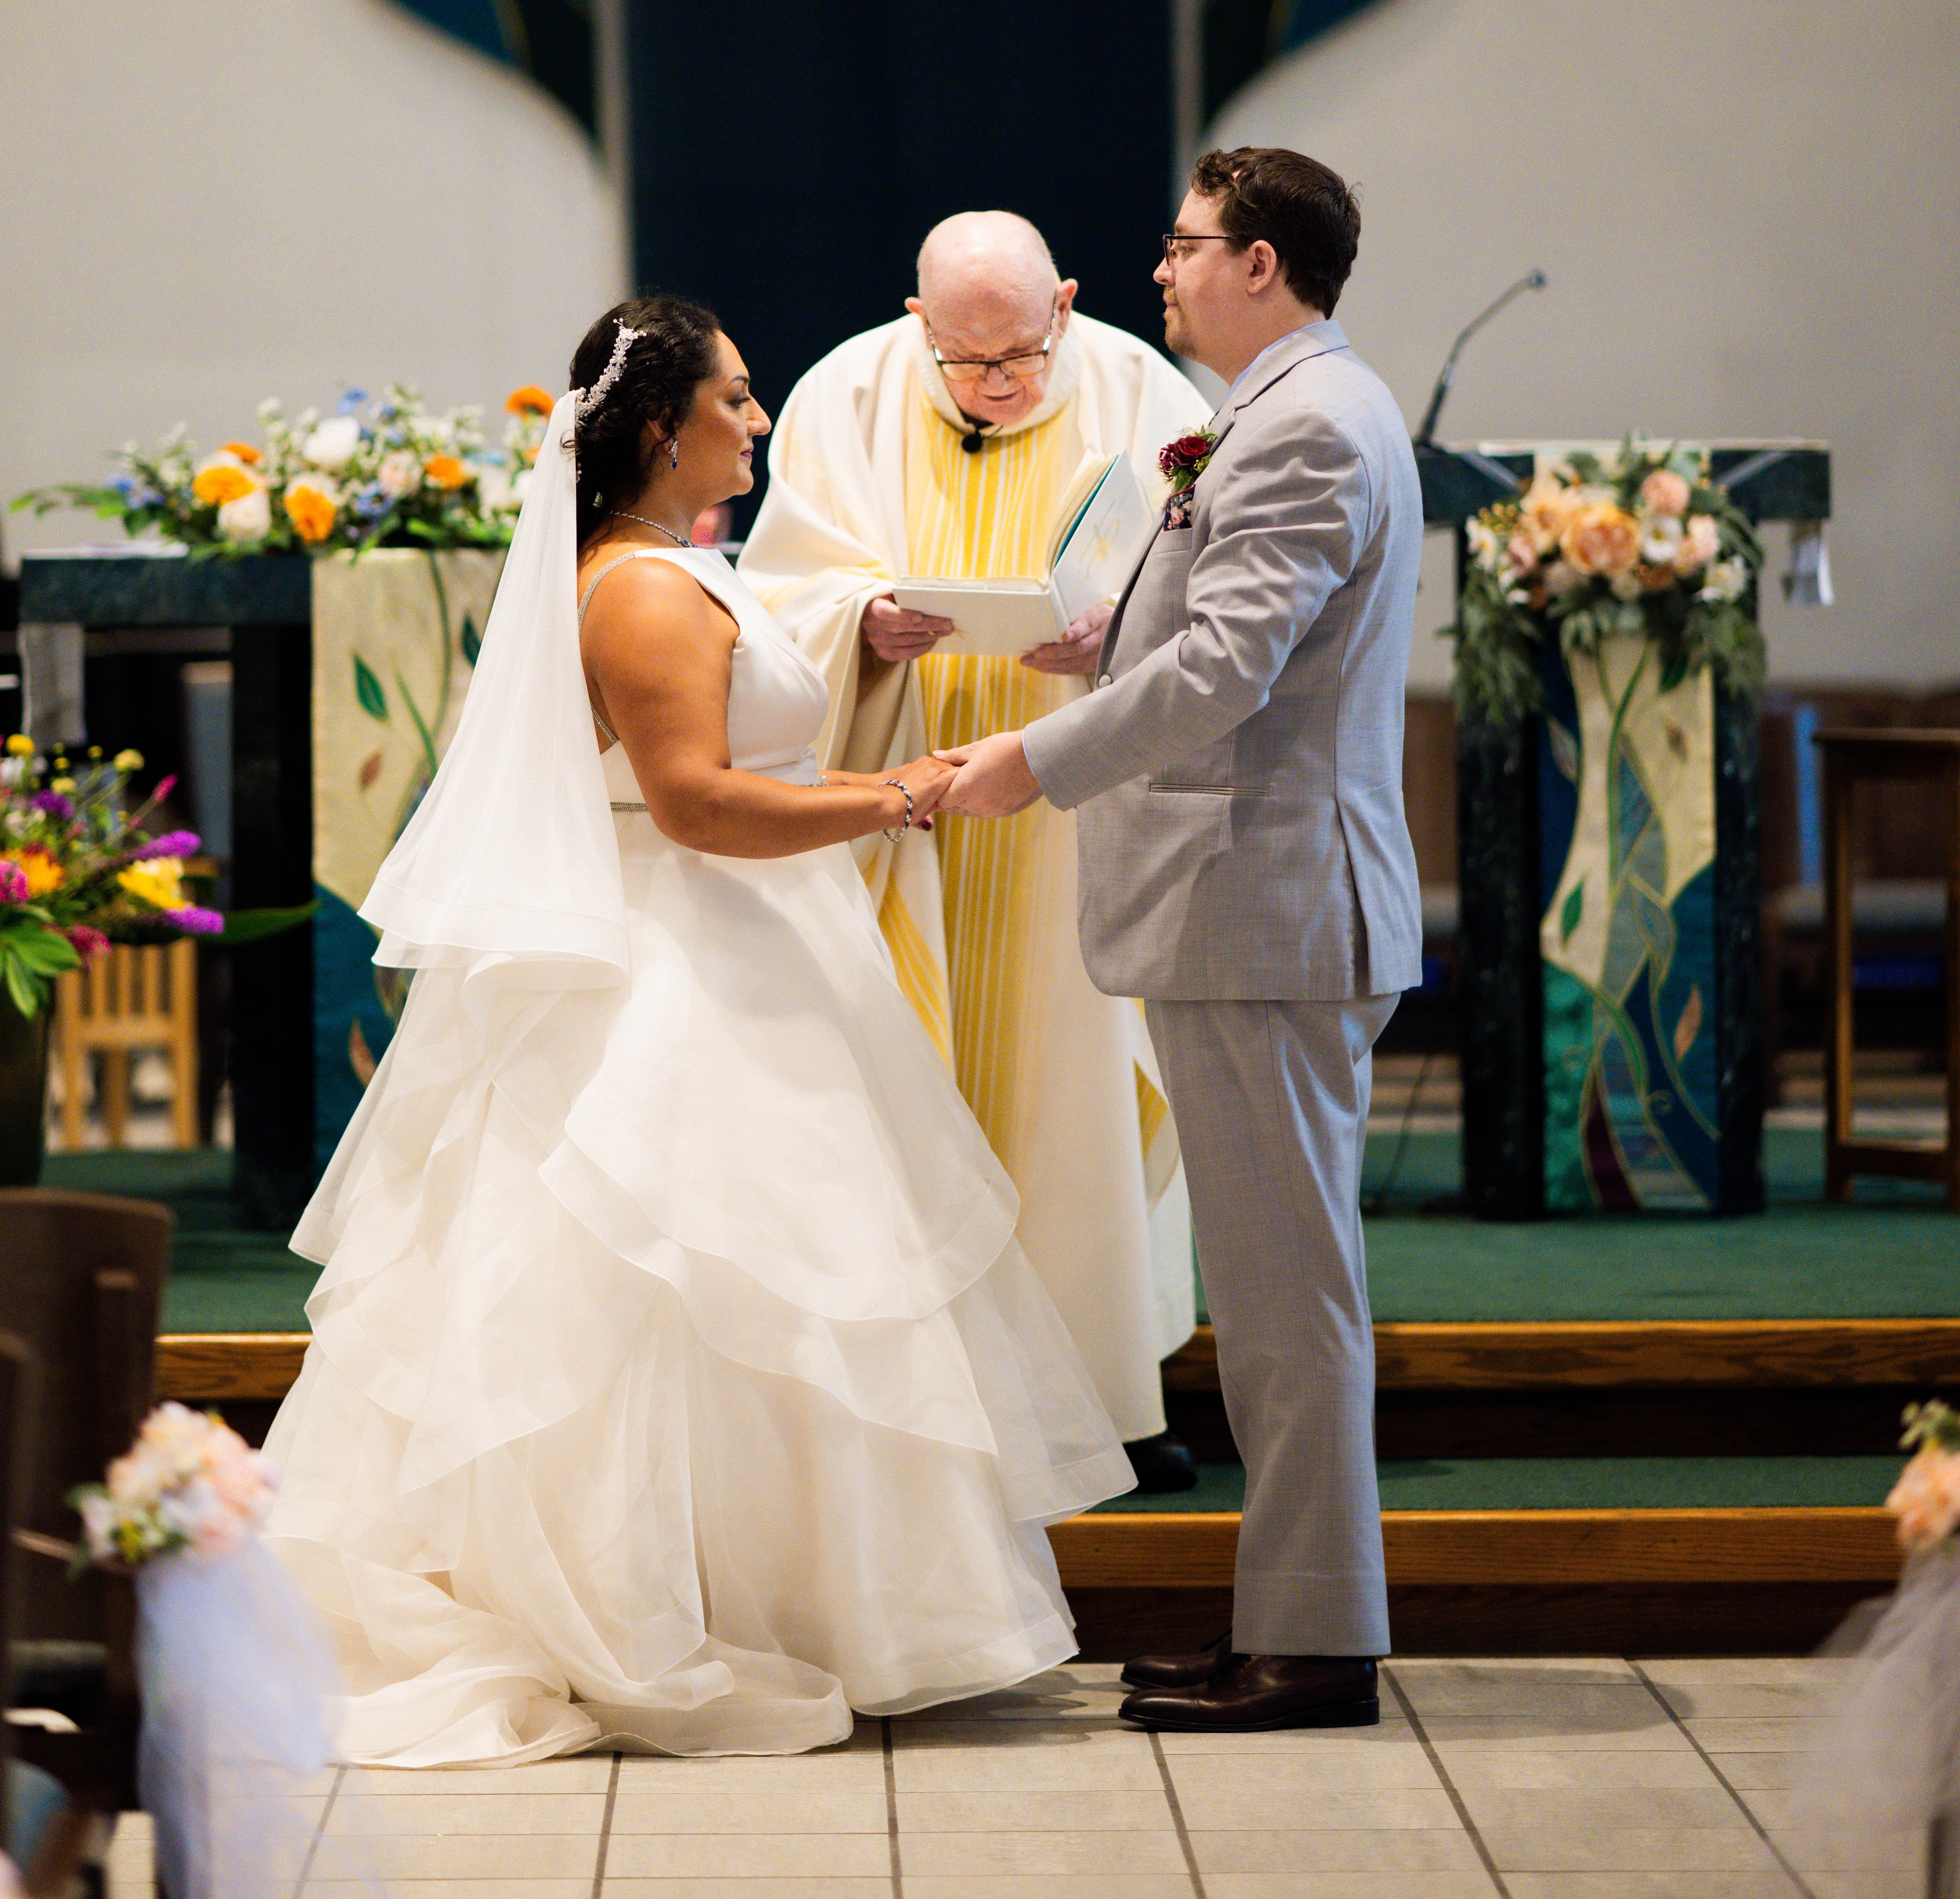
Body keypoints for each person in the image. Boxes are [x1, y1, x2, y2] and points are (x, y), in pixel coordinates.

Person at [261, 296, 1131, 1764]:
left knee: (763, 1292)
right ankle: (668, 1603)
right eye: (736, 398)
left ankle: (785, 1598)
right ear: (659, 428)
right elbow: (696, 800)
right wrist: (900, 792)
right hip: (682, 960)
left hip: (752, 949)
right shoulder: (647, 592)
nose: (761, 418)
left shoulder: (668, 568)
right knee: (669, 1285)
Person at [940, 149, 1423, 1734]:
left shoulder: (1302, 424)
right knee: (1283, 1297)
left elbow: (1229, 671)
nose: (1162, 268)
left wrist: (1036, 756)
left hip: (1268, 910)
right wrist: (1109, 635)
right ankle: (1287, 1623)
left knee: (1291, 1303)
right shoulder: (1302, 407)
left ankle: (1314, 1642)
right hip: (1259, 907)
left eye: (1185, 244)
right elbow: (1226, 637)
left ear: (1263, 262)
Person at [737, 212, 1208, 1481]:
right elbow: (778, 589)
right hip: (903, 793)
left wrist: (1114, 627)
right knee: (902, 1078)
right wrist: (865, 618)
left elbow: (1211, 583)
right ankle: (924, 1415)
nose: (999, 385)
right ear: (915, 323)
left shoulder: (1142, 388)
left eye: (1021, 353)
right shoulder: (844, 390)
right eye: (966, 361)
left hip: (1073, 795)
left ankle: (1097, 1397)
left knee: (1074, 1090)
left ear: (1064, 302)